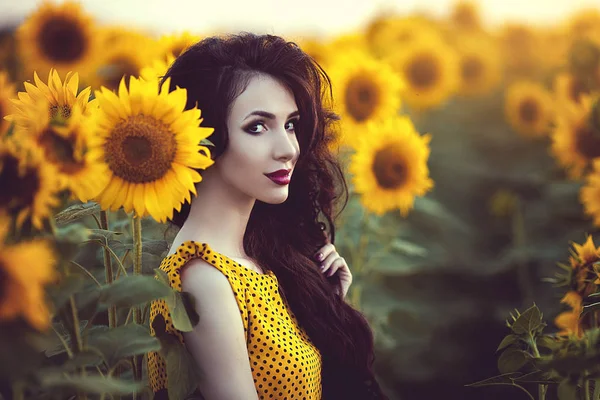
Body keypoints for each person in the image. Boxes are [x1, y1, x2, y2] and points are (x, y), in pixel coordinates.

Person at [147, 33, 387, 400]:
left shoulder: (257, 258)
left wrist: (327, 301)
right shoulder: (203, 278)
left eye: (290, 124)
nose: (288, 149)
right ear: (202, 138)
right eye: (257, 127)